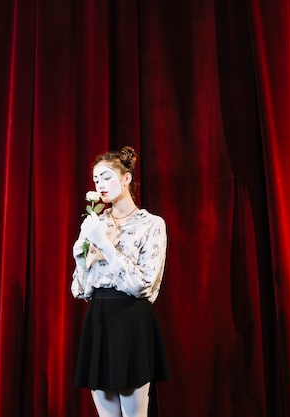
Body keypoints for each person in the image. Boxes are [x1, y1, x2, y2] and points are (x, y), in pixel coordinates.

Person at [71, 146, 169, 417]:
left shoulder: (151, 224)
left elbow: (143, 285)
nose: (100, 185)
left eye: (106, 177)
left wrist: (106, 246)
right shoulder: (95, 223)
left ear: (126, 178)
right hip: (99, 319)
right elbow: (81, 290)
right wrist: (80, 258)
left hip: (131, 318)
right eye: (95, 180)